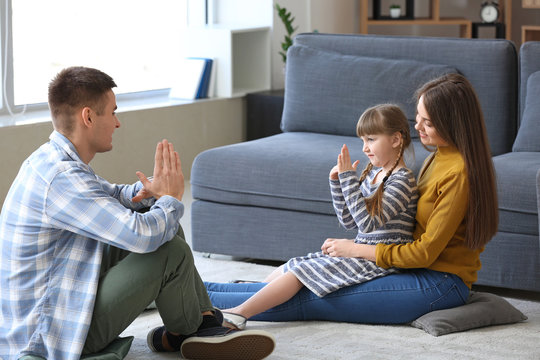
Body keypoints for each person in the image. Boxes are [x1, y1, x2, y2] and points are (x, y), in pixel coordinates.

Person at [0, 66, 275, 360]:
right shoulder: (61, 179)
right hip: (52, 335)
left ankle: (196, 326)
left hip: (64, 295)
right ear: (88, 117)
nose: (118, 123)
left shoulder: (54, 159)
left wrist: (147, 192)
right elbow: (141, 237)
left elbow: (103, 194)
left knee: (167, 226)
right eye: (113, 112)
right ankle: (193, 330)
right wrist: (170, 199)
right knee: (167, 248)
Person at [205, 73, 498, 325]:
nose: (417, 128)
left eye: (428, 123)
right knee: (302, 275)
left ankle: (208, 305)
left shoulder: (458, 173)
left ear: (453, 123)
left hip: (440, 283)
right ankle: (196, 292)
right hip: (412, 269)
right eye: (418, 118)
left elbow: (423, 253)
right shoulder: (438, 157)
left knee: (312, 297)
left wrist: (356, 249)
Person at [212, 104, 418, 326]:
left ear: (396, 140)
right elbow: (349, 221)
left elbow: (367, 224)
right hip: (361, 250)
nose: (365, 148)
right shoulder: (375, 174)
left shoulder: (402, 181)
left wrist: (349, 179)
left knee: (301, 272)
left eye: (371, 139)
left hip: (378, 259)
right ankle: (254, 293)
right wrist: (337, 184)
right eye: (363, 141)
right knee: (295, 263)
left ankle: (240, 313)